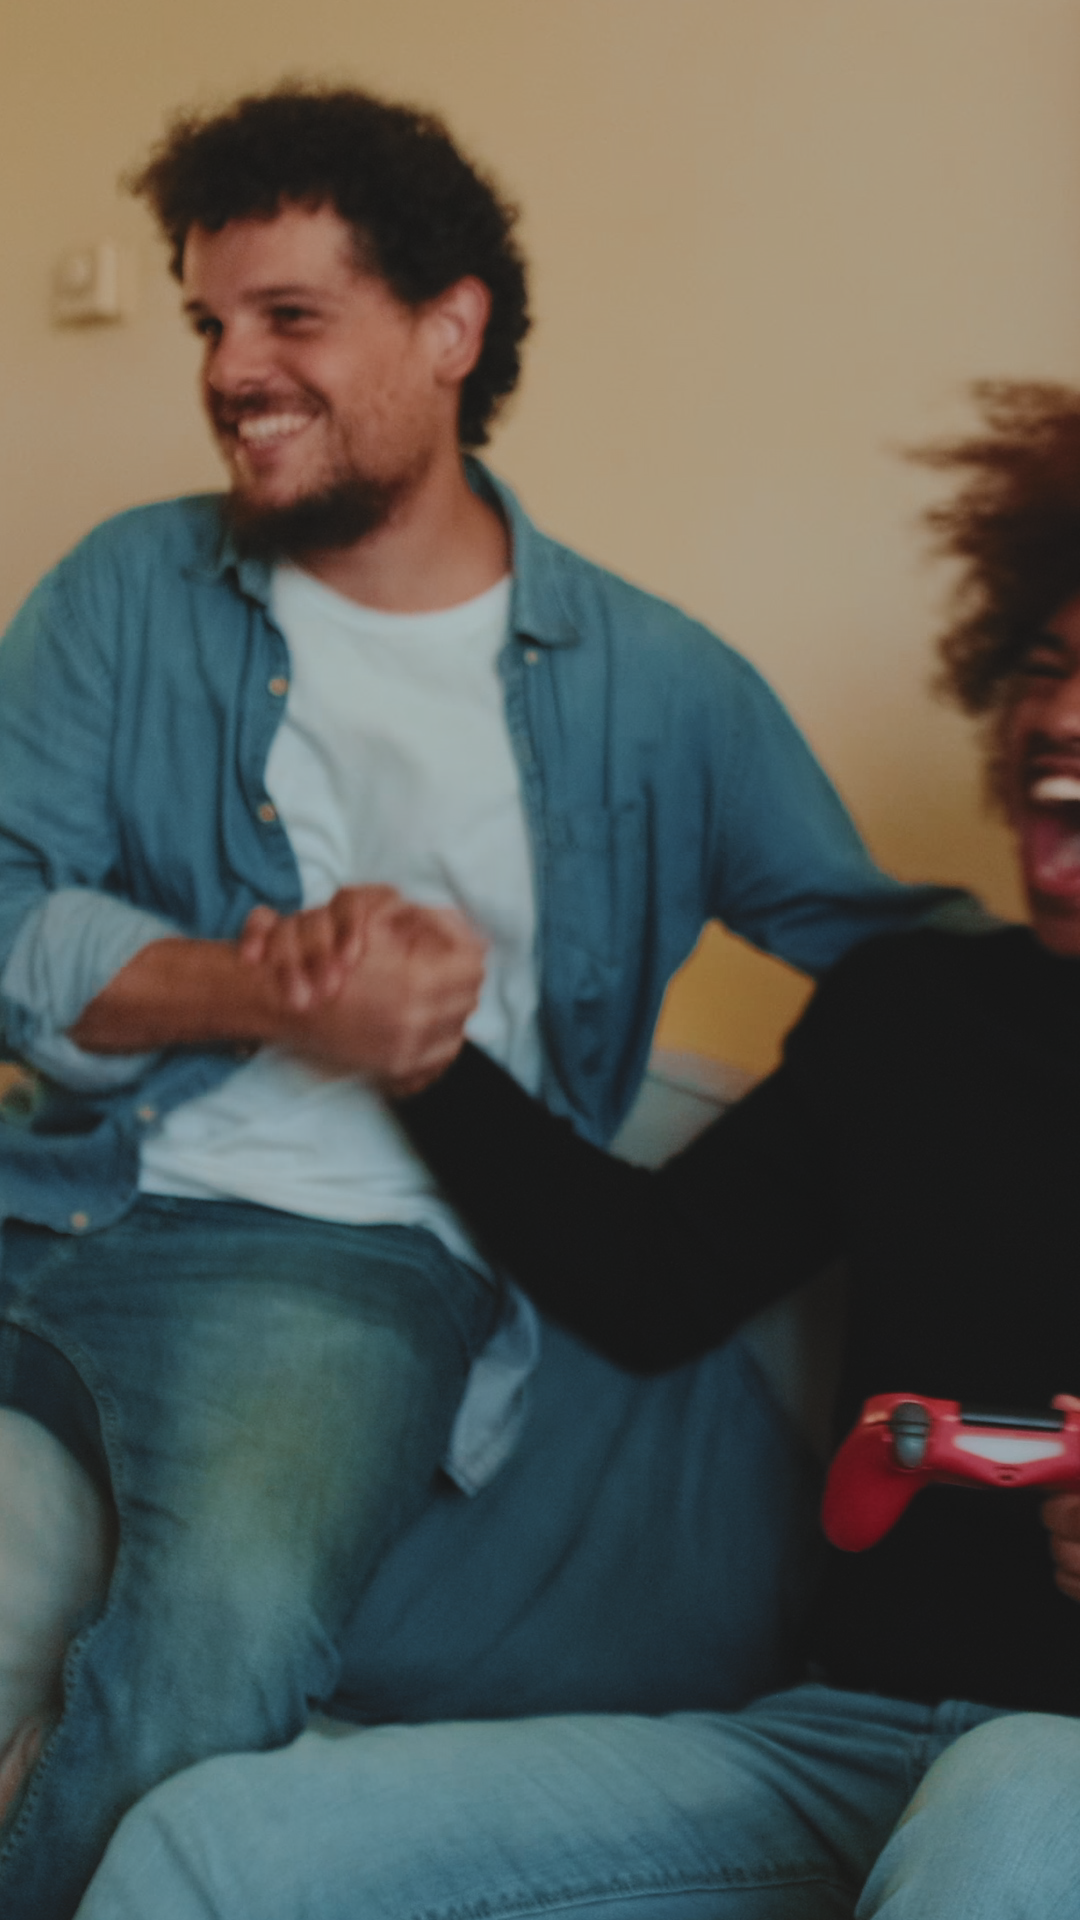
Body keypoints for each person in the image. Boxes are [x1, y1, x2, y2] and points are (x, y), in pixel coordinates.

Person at [0, 82, 973, 1920]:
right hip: (59, 1187)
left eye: (290, 317)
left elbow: (913, 962)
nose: (231, 370)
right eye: (209, 322)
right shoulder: (127, 590)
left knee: (218, 1648)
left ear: (450, 328)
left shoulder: (657, 692)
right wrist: (265, 986)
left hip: (338, 1269)